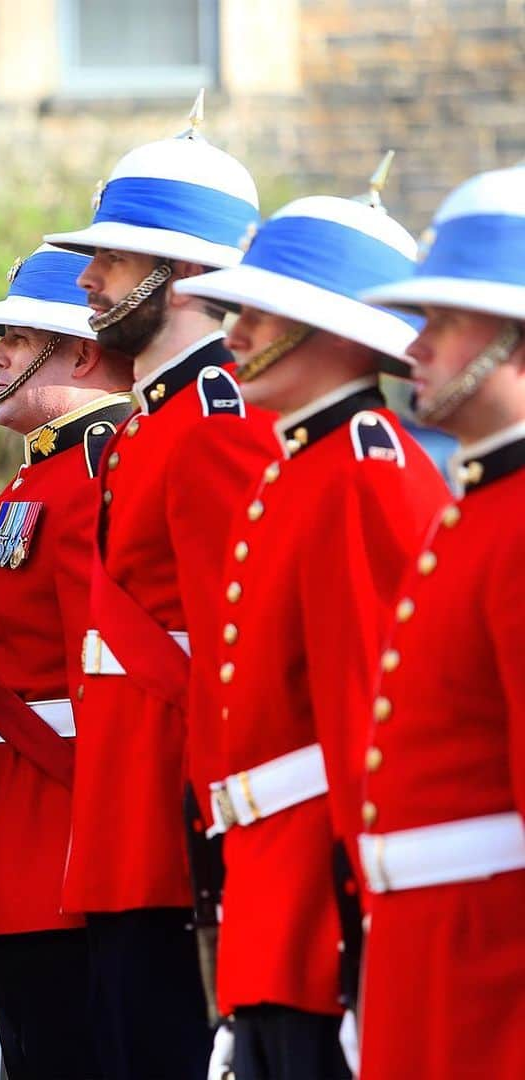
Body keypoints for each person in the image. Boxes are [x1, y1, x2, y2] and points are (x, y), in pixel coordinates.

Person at [174, 166, 449, 1079]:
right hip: (269, 875)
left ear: (331, 328)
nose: (234, 333)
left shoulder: (364, 472)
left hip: (318, 888)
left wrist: (363, 907)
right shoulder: (303, 466)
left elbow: (371, 719)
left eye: (258, 312)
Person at [44, 97, 278, 1079]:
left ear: (184, 275)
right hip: (126, 834)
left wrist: (218, 851)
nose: (88, 279)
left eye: (115, 260)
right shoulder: (153, 422)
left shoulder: (218, 424)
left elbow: (238, 660)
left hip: (175, 844)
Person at [354, 163, 525, 1080]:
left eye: (443, 320)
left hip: (491, 978)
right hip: (434, 959)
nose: (412, 346)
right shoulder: (478, 501)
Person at [0, 243, 133, 1079]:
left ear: (83, 353)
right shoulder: (41, 480)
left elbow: (110, 679)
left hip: (63, 844)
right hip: (17, 835)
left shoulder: (96, 476)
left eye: (17, 341)